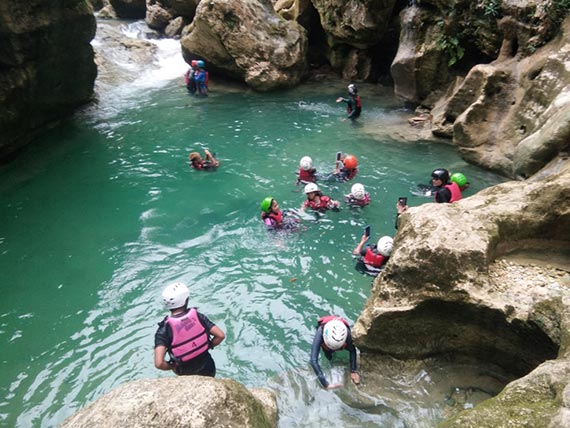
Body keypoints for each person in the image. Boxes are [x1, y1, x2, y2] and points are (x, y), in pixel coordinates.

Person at [154, 282, 225, 376]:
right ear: (186, 300)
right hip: (208, 367)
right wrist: (207, 346)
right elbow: (220, 336)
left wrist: (172, 366)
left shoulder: (164, 329)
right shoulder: (198, 317)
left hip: (185, 372)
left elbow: (159, 363)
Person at [310, 316, 360, 390]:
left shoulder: (347, 334)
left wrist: (353, 370)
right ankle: (331, 360)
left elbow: (352, 350)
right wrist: (325, 384)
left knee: (348, 346)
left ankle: (332, 357)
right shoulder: (320, 334)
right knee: (328, 354)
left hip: (338, 331)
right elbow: (313, 360)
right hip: (327, 331)